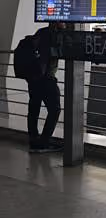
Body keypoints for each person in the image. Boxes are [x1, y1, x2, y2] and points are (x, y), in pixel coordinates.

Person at [27, 23, 65, 153]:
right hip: (46, 78)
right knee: (55, 110)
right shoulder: (56, 35)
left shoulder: (40, 32)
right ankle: (43, 143)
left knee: (34, 108)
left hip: (33, 78)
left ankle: (33, 141)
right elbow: (58, 52)